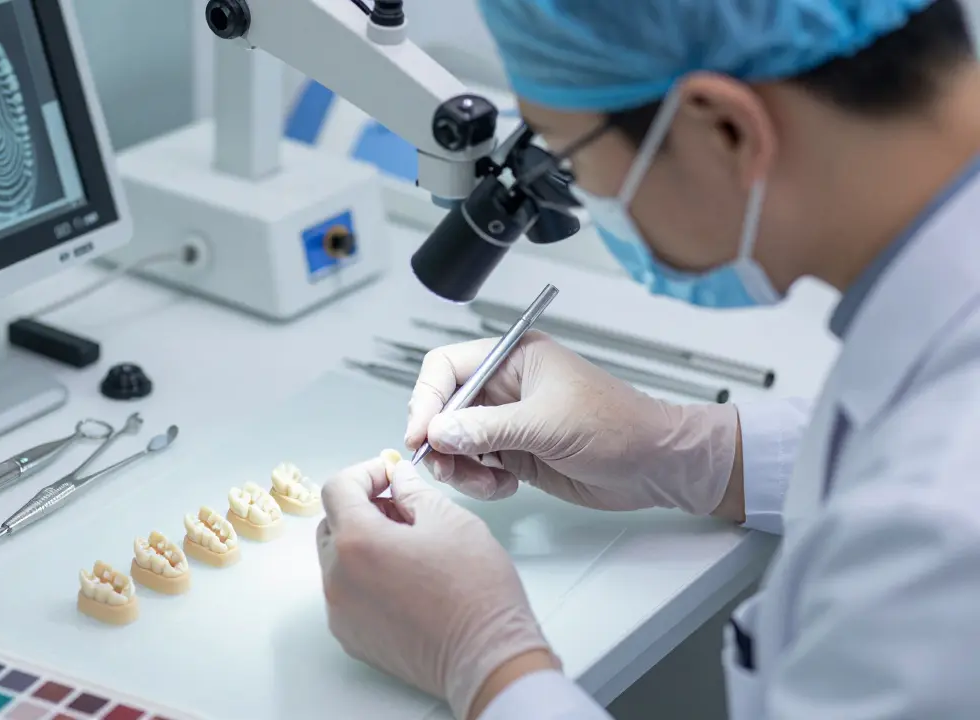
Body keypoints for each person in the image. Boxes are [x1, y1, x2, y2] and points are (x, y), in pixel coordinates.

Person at [314, 1, 980, 718]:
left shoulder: (938, 541)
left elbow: (923, 486)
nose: (581, 192)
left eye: (568, 157)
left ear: (721, 126)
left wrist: (486, 664)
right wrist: (688, 450)